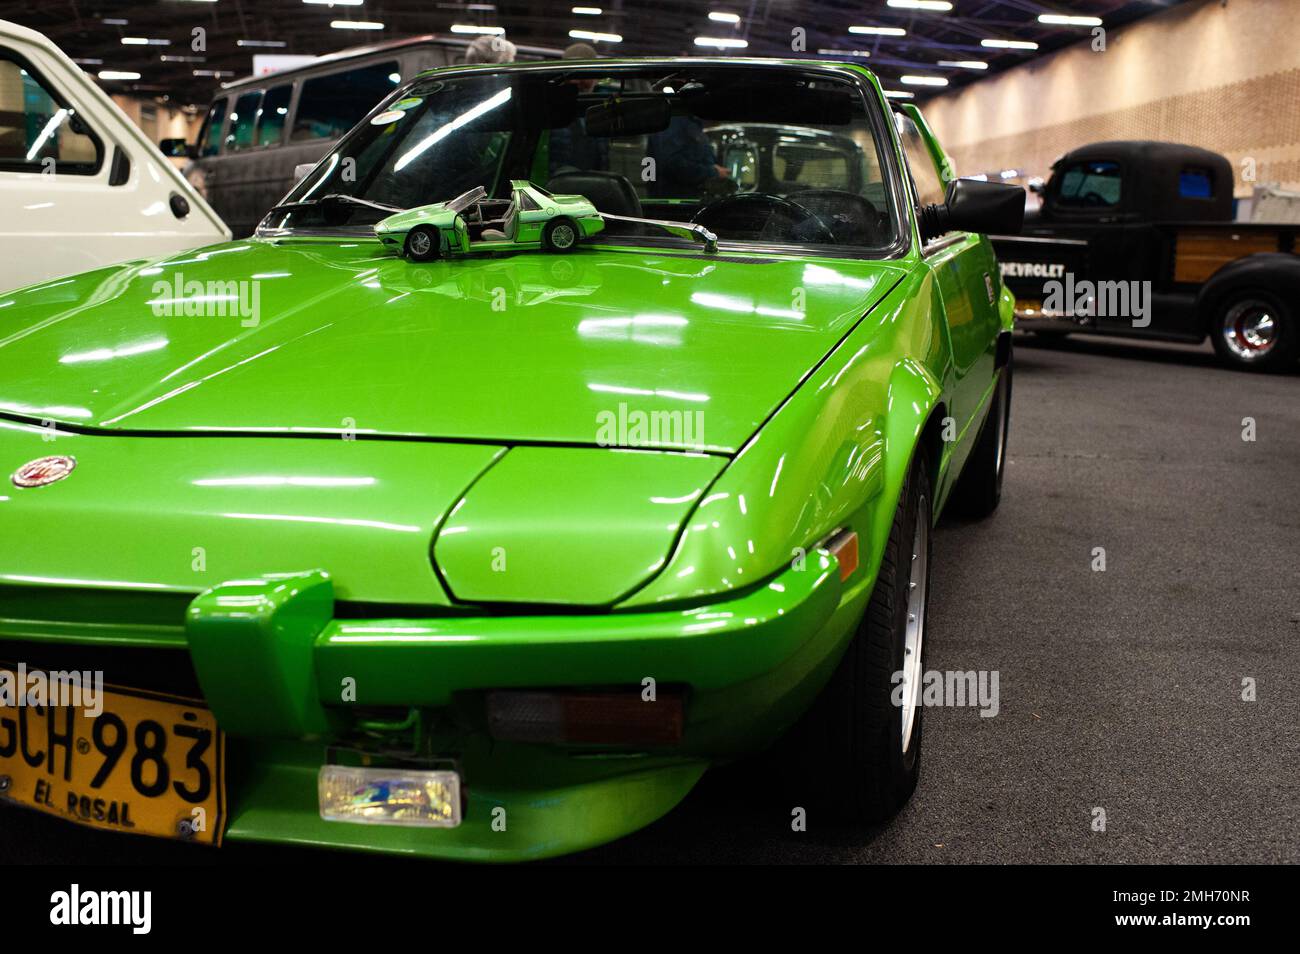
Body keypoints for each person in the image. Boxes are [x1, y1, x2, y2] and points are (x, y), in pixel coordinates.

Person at [548, 42, 608, 175]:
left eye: (584, 75)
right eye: (572, 76)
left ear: (595, 78)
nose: (577, 82)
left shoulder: (601, 112)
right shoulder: (549, 112)